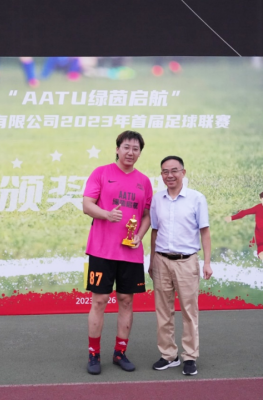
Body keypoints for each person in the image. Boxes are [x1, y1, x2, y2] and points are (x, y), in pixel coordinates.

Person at [83, 130, 153, 375]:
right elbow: (87, 205)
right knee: (100, 301)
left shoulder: (144, 181)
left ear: (140, 153)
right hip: (101, 250)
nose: (130, 152)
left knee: (126, 301)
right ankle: (94, 355)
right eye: (126, 147)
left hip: (130, 253)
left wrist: (139, 235)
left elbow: (146, 215)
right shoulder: (101, 173)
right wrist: (106, 214)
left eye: (135, 149)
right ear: (117, 149)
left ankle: (120, 353)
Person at [149, 156, 213, 376]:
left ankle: (190, 356)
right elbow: (154, 231)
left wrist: (207, 262)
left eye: (174, 171)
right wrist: (151, 261)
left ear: (183, 173)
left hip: (187, 261)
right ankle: (168, 355)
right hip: (161, 260)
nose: (170, 175)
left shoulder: (196, 198)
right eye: (165, 171)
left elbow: (205, 231)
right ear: (161, 175)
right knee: (163, 311)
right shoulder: (157, 199)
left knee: (189, 311)